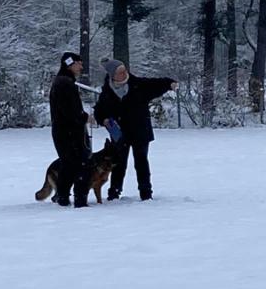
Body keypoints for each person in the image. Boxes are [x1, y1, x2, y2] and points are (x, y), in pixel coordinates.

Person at [93, 58, 177, 201]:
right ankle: (114, 192)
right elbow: (99, 111)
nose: (124, 73)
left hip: (140, 131)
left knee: (141, 162)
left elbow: (156, 84)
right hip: (119, 133)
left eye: (124, 70)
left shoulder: (138, 84)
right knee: (119, 163)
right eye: (120, 72)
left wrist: (170, 83)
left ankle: (146, 192)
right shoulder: (106, 91)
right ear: (113, 75)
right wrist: (104, 120)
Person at [49, 51, 92, 208]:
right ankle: (79, 200)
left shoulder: (62, 82)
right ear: (69, 65)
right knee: (79, 165)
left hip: (63, 132)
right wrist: (84, 117)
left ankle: (63, 197)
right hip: (69, 133)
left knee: (68, 165)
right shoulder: (65, 84)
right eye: (78, 63)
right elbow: (70, 111)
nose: (81, 67)